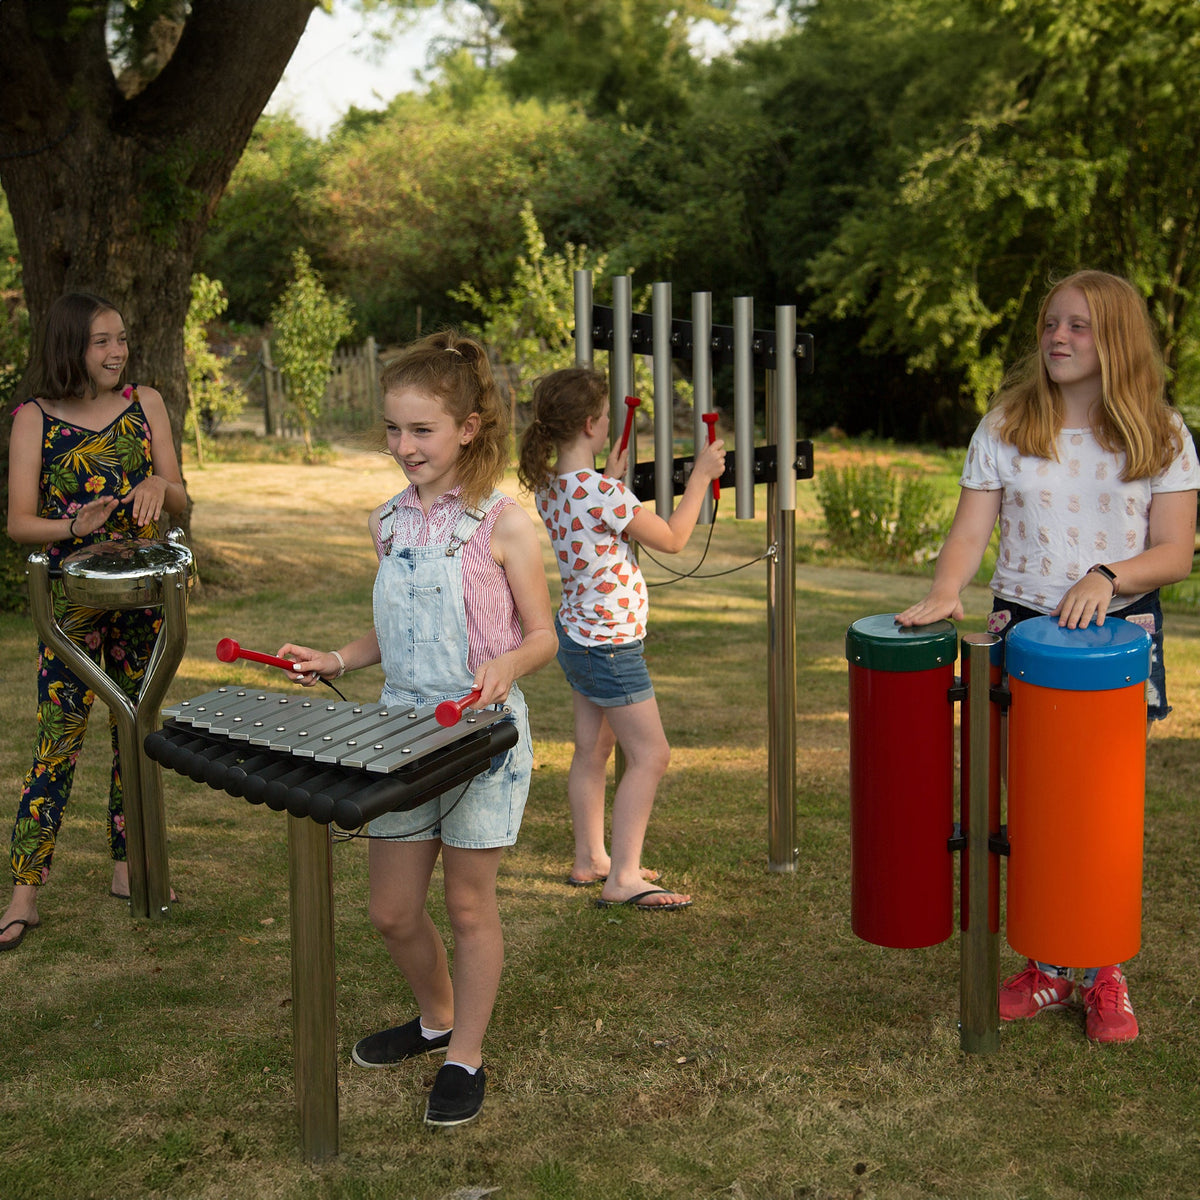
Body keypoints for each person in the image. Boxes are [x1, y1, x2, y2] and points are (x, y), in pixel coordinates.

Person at [897, 270, 1199, 1043]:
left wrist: (1108, 575)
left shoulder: (1162, 434)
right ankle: (1046, 970)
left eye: (1080, 326)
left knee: (1096, 817)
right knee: (1026, 806)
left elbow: (1174, 554)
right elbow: (970, 533)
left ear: (1118, 339)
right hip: (1018, 628)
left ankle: (1101, 972)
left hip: (1115, 642)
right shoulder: (1006, 425)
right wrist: (944, 591)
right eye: (1050, 324)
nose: (1057, 338)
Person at [278, 331, 555, 1128]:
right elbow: (392, 634)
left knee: (469, 907)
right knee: (392, 912)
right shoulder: (387, 523)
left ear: (468, 428)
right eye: (393, 431)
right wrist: (335, 655)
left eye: (421, 431)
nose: (403, 447)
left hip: (482, 738)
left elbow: (542, 633)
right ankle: (436, 1017)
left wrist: (506, 667)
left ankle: (466, 1053)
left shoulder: (504, 525)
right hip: (400, 733)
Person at [0, 292, 188, 952]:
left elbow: (183, 498)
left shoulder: (148, 404)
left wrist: (163, 489)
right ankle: (23, 894)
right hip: (70, 603)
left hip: (140, 596)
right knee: (59, 738)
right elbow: (19, 521)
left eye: (121, 339)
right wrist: (71, 524)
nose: (117, 352)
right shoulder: (34, 419)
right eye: (101, 341)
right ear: (69, 347)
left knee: (135, 732)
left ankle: (128, 869)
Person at [516, 366, 726, 912]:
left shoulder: (553, 487)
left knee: (592, 750)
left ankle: (591, 858)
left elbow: (592, 513)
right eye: (608, 415)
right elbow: (676, 539)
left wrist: (609, 477)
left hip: (578, 637)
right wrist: (701, 474)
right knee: (652, 755)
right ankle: (625, 877)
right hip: (609, 645)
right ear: (591, 423)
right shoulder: (602, 494)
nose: (611, 421)